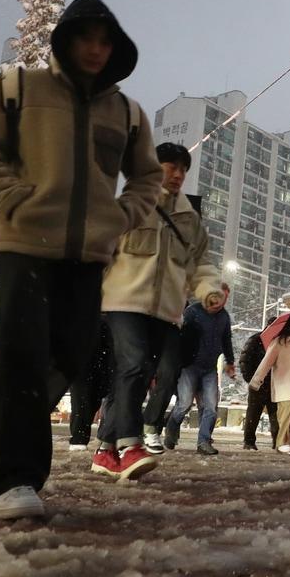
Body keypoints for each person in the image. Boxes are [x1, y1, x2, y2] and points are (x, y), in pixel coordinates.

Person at [0, 0, 163, 518]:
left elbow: (147, 179)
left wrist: (120, 216)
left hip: (89, 255)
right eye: (85, 38)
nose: (95, 49)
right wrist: (12, 198)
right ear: (65, 40)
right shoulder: (19, 89)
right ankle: (13, 480)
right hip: (24, 245)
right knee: (20, 355)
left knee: (70, 356)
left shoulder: (128, 113)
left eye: (104, 41)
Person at [99, 141, 226, 470]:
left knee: (157, 376)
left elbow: (201, 263)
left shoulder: (189, 219)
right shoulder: (132, 204)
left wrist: (210, 290)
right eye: (171, 166)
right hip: (123, 301)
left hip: (167, 311)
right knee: (134, 365)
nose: (178, 174)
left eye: (183, 169)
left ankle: (105, 448)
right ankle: (130, 444)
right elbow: (100, 247)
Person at [171, 288, 237, 454]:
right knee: (184, 404)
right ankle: (171, 426)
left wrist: (230, 362)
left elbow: (226, 338)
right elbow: (180, 338)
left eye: (224, 299)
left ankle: (204, 441)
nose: (219, 303)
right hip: (190, 366)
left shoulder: (223, 317)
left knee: (210, 407)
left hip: (209, 368)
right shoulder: (192, 312)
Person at [250, 313, 290, 454]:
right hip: (284, 383)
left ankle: (283, 443)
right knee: (287, 412)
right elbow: (267, 362)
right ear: (289, 325)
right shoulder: (279, 342)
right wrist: (256, 381)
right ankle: (283, 443)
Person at [67, 323, 112, 450]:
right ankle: (79, 435)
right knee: (81, 383)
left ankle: (83, 430)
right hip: (83, 322)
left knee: (103, 384)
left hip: (112, 320)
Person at [238, 331, 274, 450]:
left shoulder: (279, 341)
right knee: (254, 414)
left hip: (273, 384)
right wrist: (250, 379)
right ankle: (249, 441)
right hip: (258, 383)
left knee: (275, 415)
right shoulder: (256, 340)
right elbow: (245, 360)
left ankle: (277, 440)